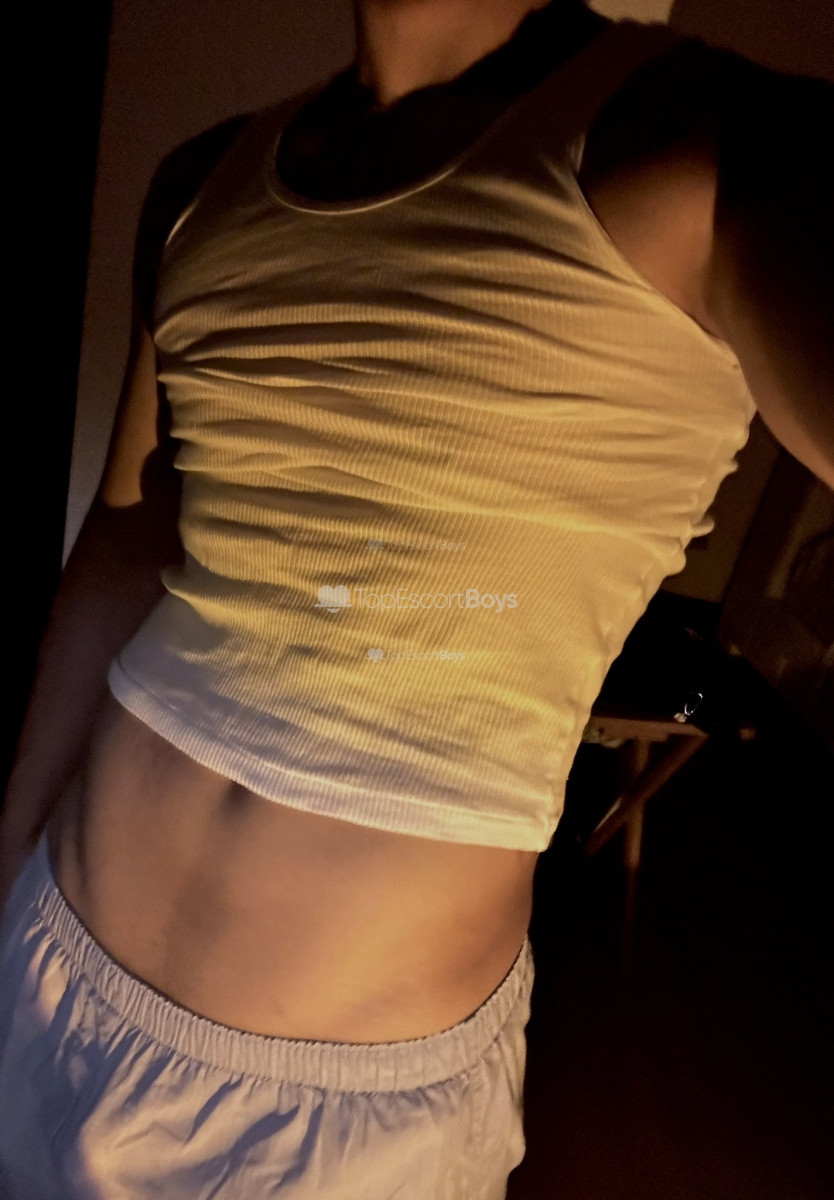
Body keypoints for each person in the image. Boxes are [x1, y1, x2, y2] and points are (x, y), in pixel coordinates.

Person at [0, 0, 831, 1195]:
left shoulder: (703, 146)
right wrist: (11, 865)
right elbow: (129, 536)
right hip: (52, 968)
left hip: (326, 1135)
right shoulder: (200, 183)